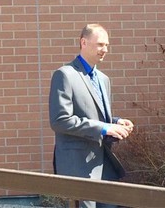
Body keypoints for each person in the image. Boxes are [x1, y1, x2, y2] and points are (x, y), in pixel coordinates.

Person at [49, 24, 134, 208]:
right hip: (78, 166)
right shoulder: (65, 75)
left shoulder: (103, 79)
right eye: (100, 44)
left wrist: (116, 122)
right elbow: (60, 120)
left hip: (104, 166)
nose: (105, 50)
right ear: (83, 42)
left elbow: (96, 115)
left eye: (107, 45)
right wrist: (104, 128)